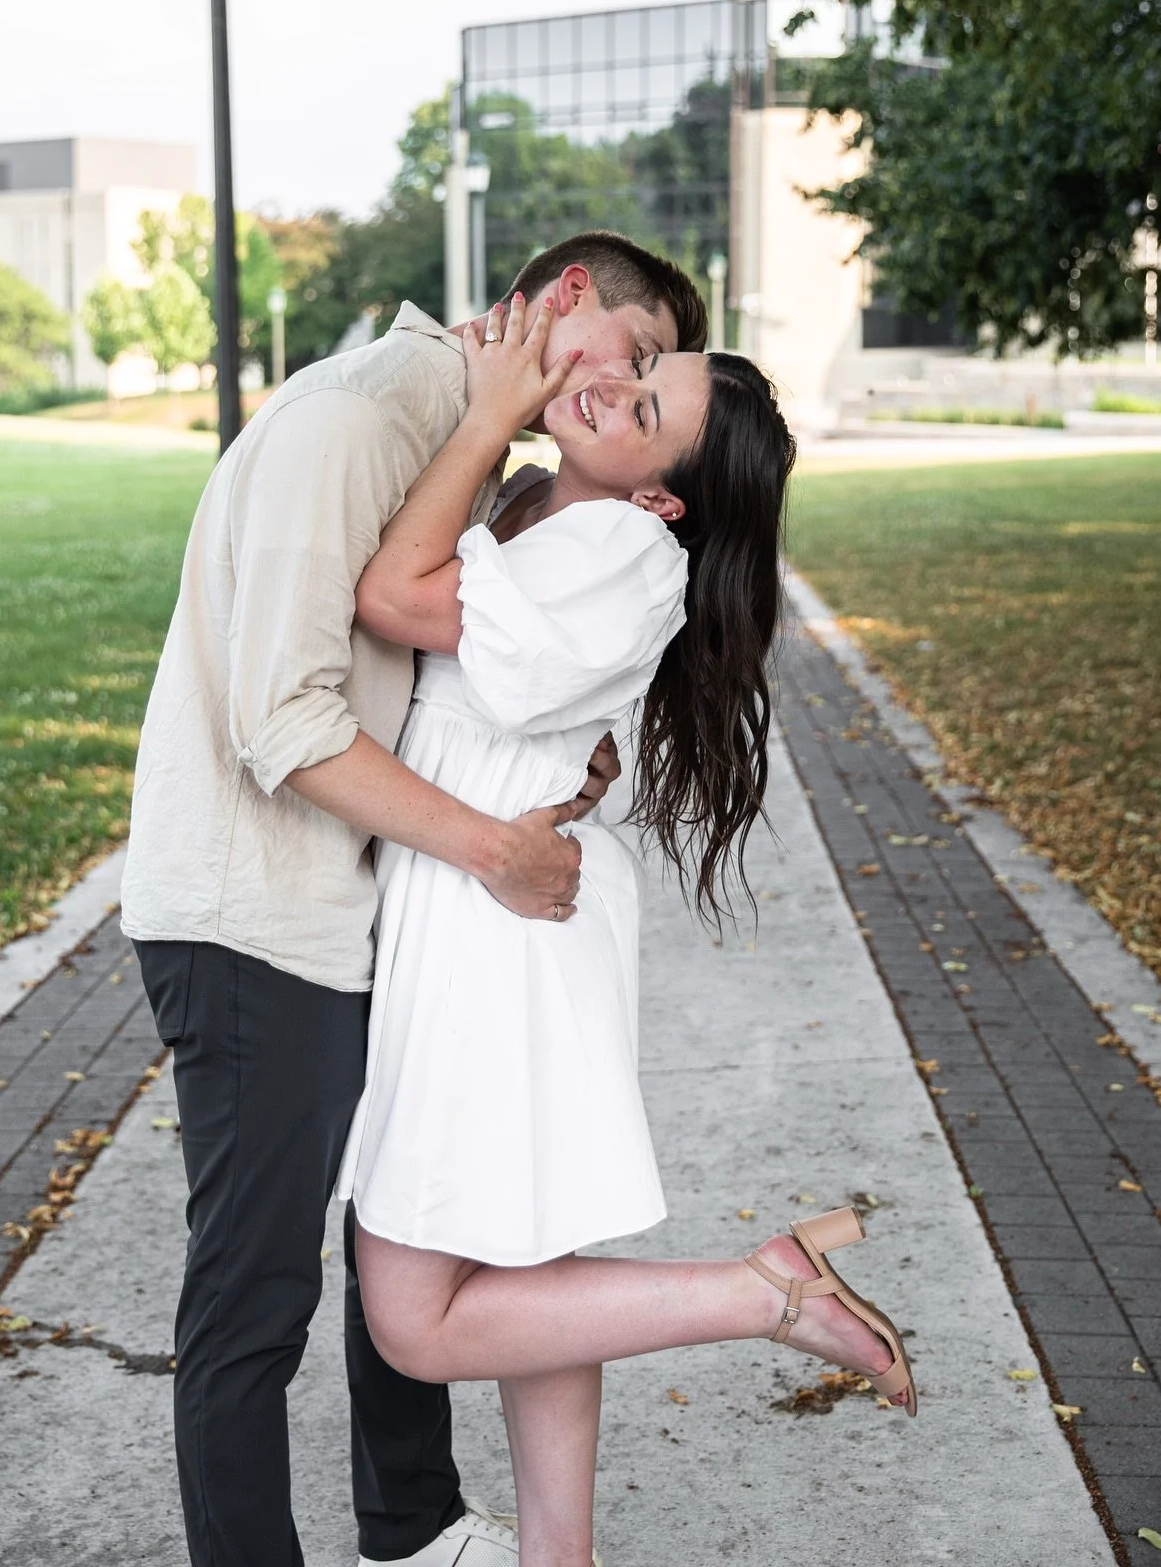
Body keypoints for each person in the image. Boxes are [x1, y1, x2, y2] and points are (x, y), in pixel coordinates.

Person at [120, 233, 708, 1567]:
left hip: (353, 897)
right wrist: (492, 847)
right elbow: (282, 718)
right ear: (564, 302)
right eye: (633, 354)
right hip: (253, 910)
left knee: (405, 1215)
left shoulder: (477, 447)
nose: (624, 390)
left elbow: (462, 663)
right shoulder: (352, 421)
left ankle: (412, 1526)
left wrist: (566, 757)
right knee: (256, 1296)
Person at [339, 292, 916, 1567]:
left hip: (491, 935)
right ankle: (564, 1553)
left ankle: (763, 1292)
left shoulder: (620, 550)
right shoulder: (546, 510)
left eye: (645, 405)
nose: (614, 384)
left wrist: (489, 417)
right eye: (642, 361)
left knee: (414, 1323)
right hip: (486, 911)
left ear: (661, 497)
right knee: (531, 1267)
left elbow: (391, 594)